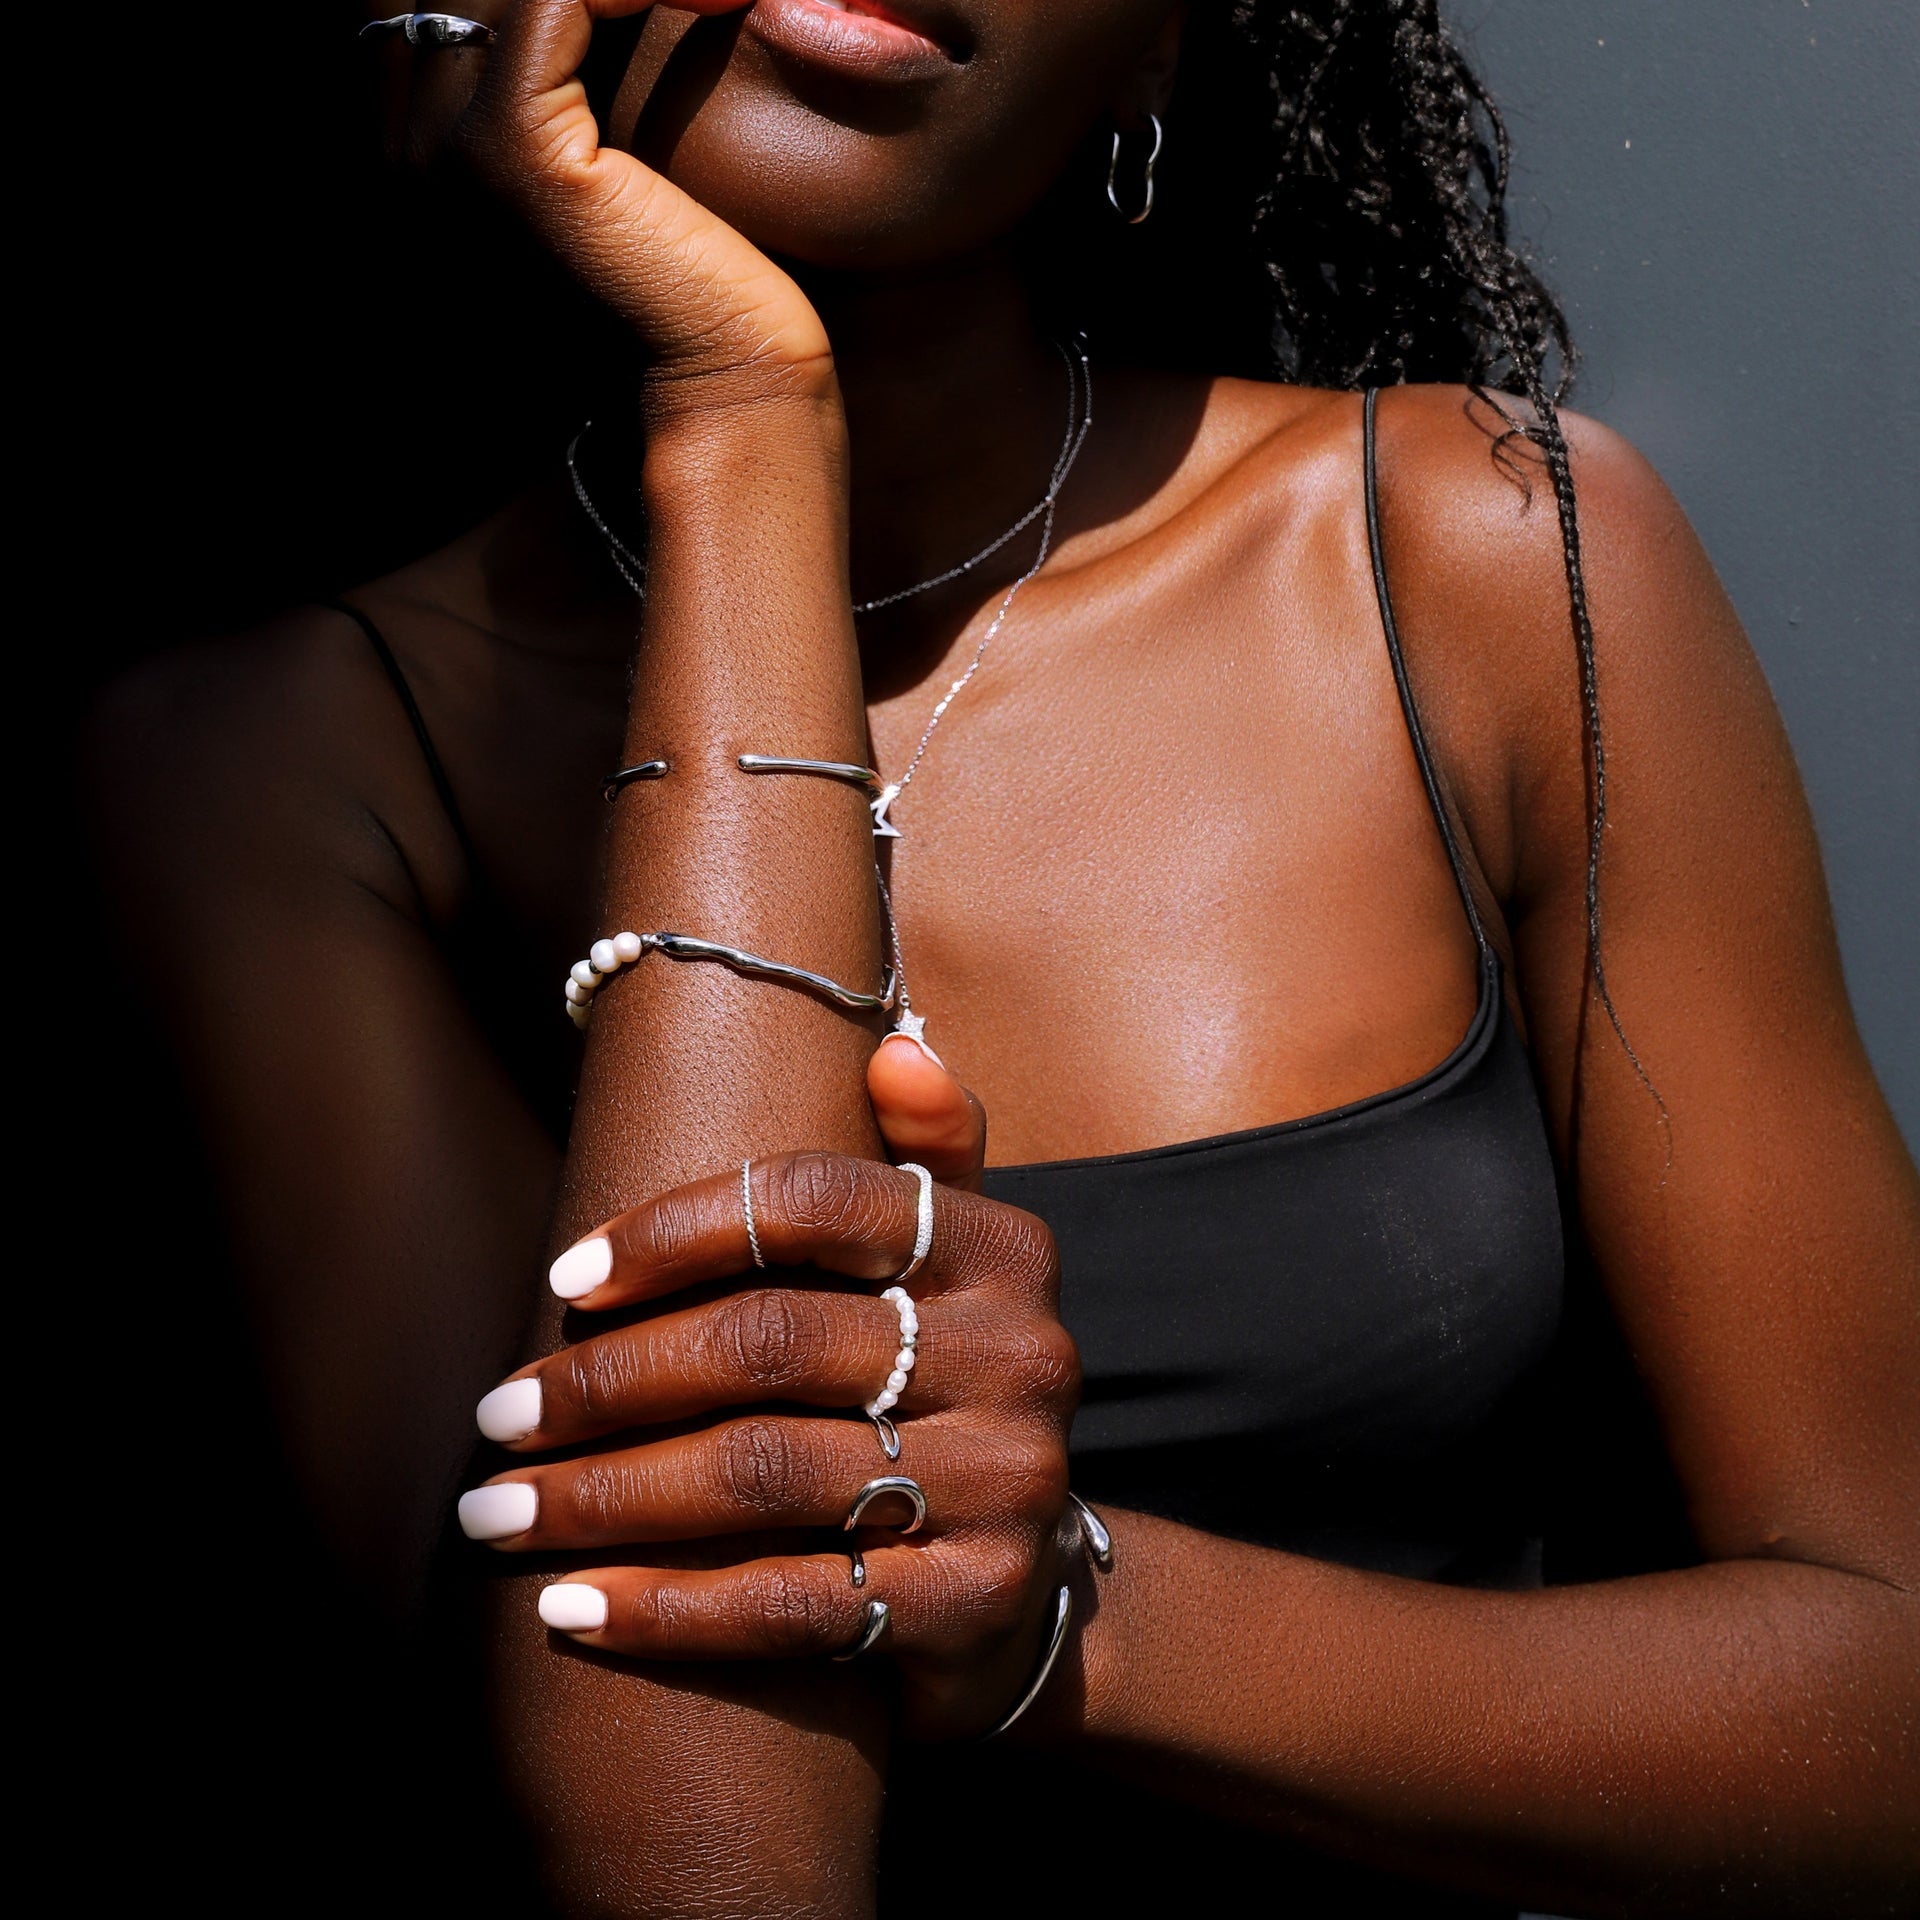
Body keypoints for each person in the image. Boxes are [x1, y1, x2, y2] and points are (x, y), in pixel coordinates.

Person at [91, 2, 1918, 1912]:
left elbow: (1891, 1715)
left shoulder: (1474, 559)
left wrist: (1077, 1621)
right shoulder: (288, 768)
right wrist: (744, 419)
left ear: (1151, 57)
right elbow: (688, 1861)